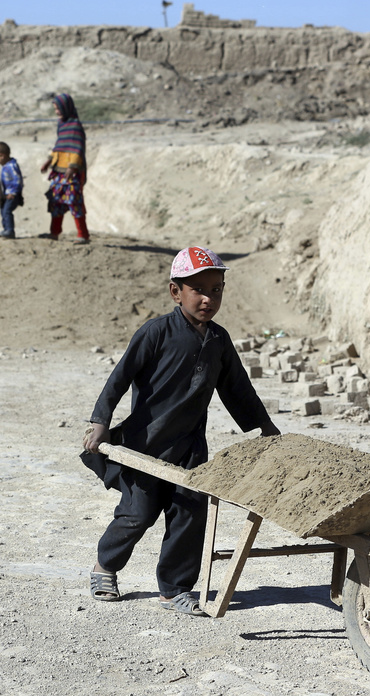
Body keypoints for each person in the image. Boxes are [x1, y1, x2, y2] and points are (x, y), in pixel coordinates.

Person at [81, 246, 281, 615]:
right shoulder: (156, 332)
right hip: (145, 444)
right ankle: (104, 567)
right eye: (198, 290)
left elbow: (237, 387)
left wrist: (265, 427)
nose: (208, 298)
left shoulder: (219, 340)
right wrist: (100, 422)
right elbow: (119, 377)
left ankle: (174, 589)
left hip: (189, 447)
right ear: (176, 292)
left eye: (216, 289)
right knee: (137, 514)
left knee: (190, 514)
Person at [39, 93, 90, 244]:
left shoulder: (76, 127)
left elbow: (78, 149)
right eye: (55, 108)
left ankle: (83, 234)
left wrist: (72, 167)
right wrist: (48, 161)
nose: (57, 111)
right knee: (56, 202)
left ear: (66, 107)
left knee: (74, 202)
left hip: (71, 174)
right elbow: (58, 146)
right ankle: (54, 233)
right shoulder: (61, 125)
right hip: (58, 172)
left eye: (58, 108)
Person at [0, 141, 24, 239]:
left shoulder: (12, 166)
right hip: (6, 194)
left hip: (12, 194)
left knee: (7, 211)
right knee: (3, 210)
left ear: (1, 156)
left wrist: (13, 192)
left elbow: (17, 179)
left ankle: (10, 230)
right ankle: (6, 229)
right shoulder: (6, 166)